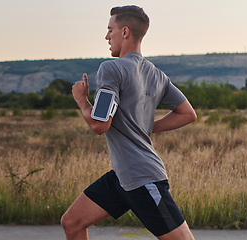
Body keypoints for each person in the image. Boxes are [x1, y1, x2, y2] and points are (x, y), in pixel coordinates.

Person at [62, 5, 197, 240]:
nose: (106, 36)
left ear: (124, 32)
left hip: (143, 178)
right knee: (72, 222)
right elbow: (187, 113)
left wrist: (82, 101)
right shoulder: (157, 75)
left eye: (109, 30)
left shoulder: (111, 69)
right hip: (122, 178)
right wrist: (144, 125)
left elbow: (99, 125)